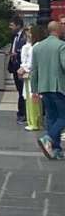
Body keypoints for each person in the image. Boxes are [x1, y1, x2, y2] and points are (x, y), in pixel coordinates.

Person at [28, 21, 65, 159]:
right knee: (63, 117)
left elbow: (34, 71)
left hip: (44, 87)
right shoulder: (61, 46)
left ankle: (55, 149)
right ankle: (48, 138)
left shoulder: (38, 47)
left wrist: (34, 90)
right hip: (58, 87)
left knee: (51, 117)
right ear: (58, 30)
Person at [9, 18, 29, 125]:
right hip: (15, 67)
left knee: (22, 91)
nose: (10, 27)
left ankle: (22, 113)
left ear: (18, 25)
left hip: (22, 68)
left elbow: (25, 51)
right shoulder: (14, 36)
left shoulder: (24, 36)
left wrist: (17, 53)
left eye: (12, 25)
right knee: (19, 90)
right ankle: (21, 112)